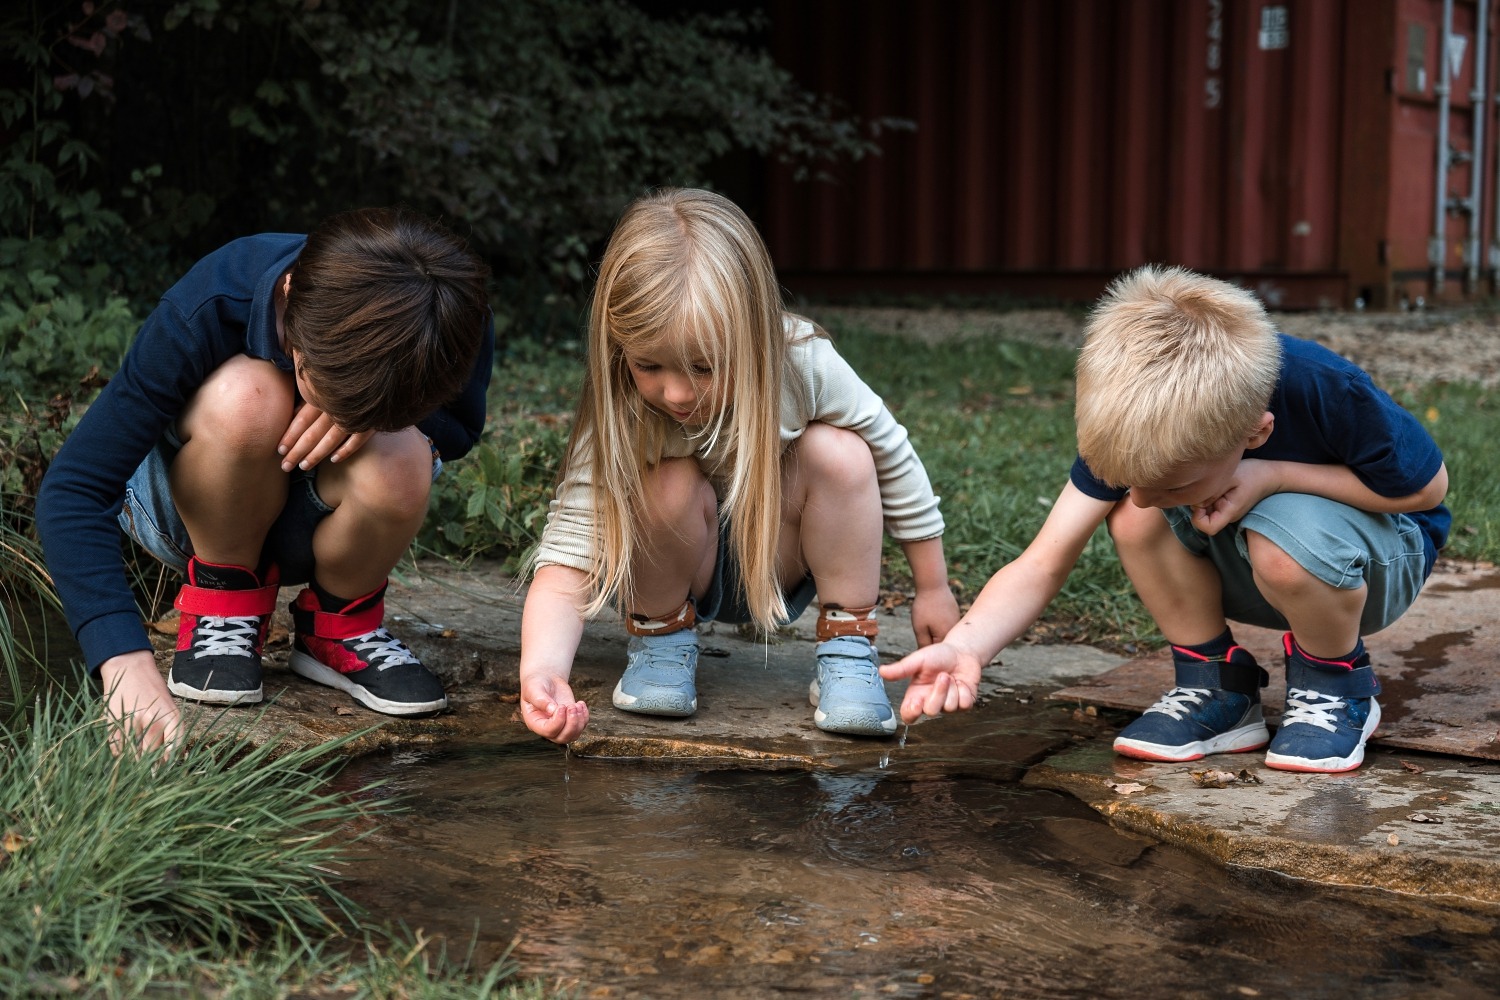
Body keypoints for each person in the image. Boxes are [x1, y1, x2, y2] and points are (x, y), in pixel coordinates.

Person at [881, 265, 1449, 774]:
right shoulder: (1140, 420)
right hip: (1260, 562)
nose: (1150, 496)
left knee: (1281, 530)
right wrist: (968, 648)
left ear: (1257, 431)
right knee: (1132, 519)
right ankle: (1218, 685)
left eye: (1172, 484)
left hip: (1377, 564)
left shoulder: (1322, 387)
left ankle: (1335, 682)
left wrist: (1272, 476)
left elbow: (1427, 492)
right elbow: (1043, 560)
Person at [37, 207, 495, 753]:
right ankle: (223, 600)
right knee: (249, 397)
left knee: (403, 453)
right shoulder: (215, 297)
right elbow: (74, 489)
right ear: (289, 290)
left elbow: (461, 427)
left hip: (322, 520)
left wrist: (363, 415)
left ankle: (339, 625)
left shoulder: (446, 309)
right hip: (189, 512)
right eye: (311, 373)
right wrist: (122, 660)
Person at [518, 187, 960, 743]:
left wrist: (934, 585)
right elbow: (571, 547)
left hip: (779, 555)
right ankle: (659, 641)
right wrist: (542, 671)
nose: (676, 392)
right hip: (678, 568)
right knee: (664, 480)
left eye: (704, 367)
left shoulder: (801, 363)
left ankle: (848, 645)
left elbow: (893, 453)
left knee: (842, 455)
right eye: (649, 364)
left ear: (754, 335)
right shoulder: (624, 408)